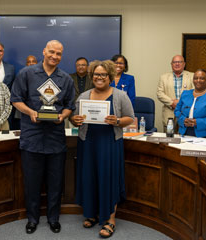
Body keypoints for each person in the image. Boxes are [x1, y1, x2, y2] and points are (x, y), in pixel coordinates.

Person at [11, 40, 75, 235]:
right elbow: (15, 99)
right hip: (32, 136)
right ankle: (32, 219)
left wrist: (63, 116)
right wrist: (30, 112)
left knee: (55, 182)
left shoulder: (65, 79)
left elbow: (69, 106)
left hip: (55, 137)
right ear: (44, 52)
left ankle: (53, 218)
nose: (55, 56)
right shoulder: (26, 74)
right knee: (32, 182)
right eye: (52, 52)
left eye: (59, 54)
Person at [70, 60, 134, 238]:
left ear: (110, 77)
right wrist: (75, 120)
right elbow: (74, 118)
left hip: (109, 143)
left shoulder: (120, 95)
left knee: (108, 179)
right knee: (89, 177)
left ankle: (110, 219)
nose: (99, 77)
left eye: (103, 74)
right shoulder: (83, 96)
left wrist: (118, 121)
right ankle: (91, 213)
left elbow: (131, 118)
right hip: (87, 142)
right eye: (96, 74)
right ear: (92, 76)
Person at [174, 69, 206, 139]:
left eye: (202, 78)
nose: (198, 80)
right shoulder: (185, 94)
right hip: (185, 132)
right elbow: (177, 111)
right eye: (196, 78)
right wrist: (183, 120)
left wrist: (198, 122)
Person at [157, 55, 194, 132]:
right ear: (171, 64)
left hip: (186, 111)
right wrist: (172, 103)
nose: (177, 64)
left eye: (179, 62)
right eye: (174, 62)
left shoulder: (191, 76)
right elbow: (160, 93)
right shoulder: (163, 77)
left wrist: (180, 103)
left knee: (185, 136)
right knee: (168, 137)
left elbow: (194, 92)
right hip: (169, 111)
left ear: (184, 64)